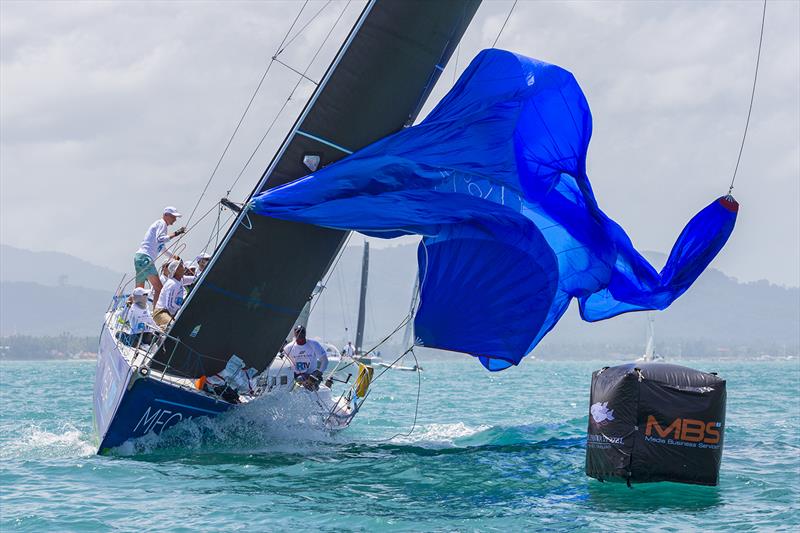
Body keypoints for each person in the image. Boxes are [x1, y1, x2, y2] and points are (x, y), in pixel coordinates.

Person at [134, 206, 186, 306]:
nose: (175, 219)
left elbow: (161, 247)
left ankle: (136, 313)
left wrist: (173, 256)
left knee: (139, 290)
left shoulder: (160, 225)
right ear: (166, 215)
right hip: (145, 258)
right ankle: (156, 314)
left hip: (139, 257)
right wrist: (176, 233)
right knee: (159, 289)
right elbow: (160, 239)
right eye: (173, 217)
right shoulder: (162, 224)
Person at [282, 325, 328, 390]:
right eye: (298, 332)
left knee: (312, 384)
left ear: (305, 333)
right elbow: (284, 363)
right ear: (295, 334)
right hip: (297, 376)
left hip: (312, 375)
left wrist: (319, 372)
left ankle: (314, 388)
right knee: (299, 379)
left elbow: (325, 360)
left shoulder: (314, 344)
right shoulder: (288, 348)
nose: (300, 334)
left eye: (302, 332)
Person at [153, 259, 186, 328]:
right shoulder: (172, 284)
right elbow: (169, 305)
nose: (184, 268)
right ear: (176, 270)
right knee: (172, 326)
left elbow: (192, 279)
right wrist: (180, 309)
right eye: (181, 266)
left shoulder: (180, 280)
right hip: (161, 312)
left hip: (171, 312)